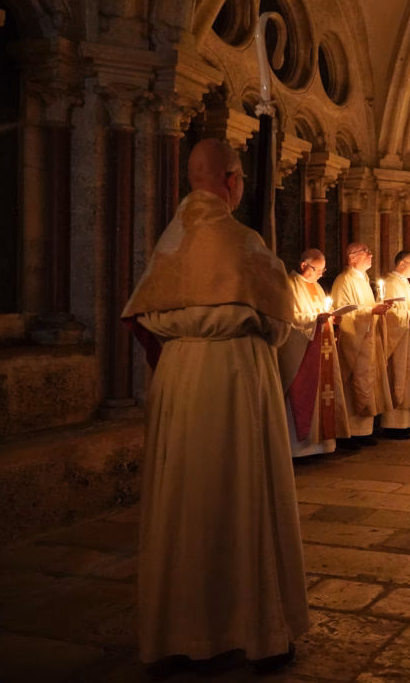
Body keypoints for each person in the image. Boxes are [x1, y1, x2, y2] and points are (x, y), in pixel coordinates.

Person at [121, 138, 308, 668]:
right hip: (234, 374)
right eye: (243, 178)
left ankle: (177, 633)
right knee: (241, 488)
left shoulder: (168, 245)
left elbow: (142, 317)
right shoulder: (244, 242)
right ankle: (255, 629)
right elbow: (277, 323)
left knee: (183, 493)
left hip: (180, 375)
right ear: (231, 178)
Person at [279, 248, 351, 457]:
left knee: (324, 395)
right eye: (317, 269)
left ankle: (321, 445)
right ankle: (298, 449)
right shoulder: (289, 285)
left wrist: (331, 319)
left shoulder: (317, 287)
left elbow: (322, 310)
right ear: (303, 265)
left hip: (322, 350)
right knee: (300, 394)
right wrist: (314, 320)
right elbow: (288, 316)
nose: (320, 274)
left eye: (322, 270)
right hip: (301, 351)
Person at [330, 243, 393, 448]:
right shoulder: (344, 280)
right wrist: (370, 312)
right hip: (353, 342)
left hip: (367, 339)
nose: (371, 254)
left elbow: (365, 308)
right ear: (352, 257)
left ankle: (364, 430)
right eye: (366, 252)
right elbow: (342, 312)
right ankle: (350, 433)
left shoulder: (364, 280)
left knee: (367, 382)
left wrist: (379, 308)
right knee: (353, 384)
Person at [380, 250, 410, 439]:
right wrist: (408, 315)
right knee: (398, 377)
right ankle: (394, 425)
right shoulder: (391, 283)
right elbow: (389, 314)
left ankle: (407, 422)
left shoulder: (405, 283)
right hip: (398, 341)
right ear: (400, 264)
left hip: (409, 337)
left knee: (409, 379)